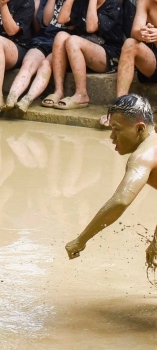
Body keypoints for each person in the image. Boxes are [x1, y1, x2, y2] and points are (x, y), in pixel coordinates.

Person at [65, 95, 157, 272]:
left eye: (117, 129)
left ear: (139, 129)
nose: (112, 136)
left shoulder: (142, 156)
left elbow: (120, 201)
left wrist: (81, 240)